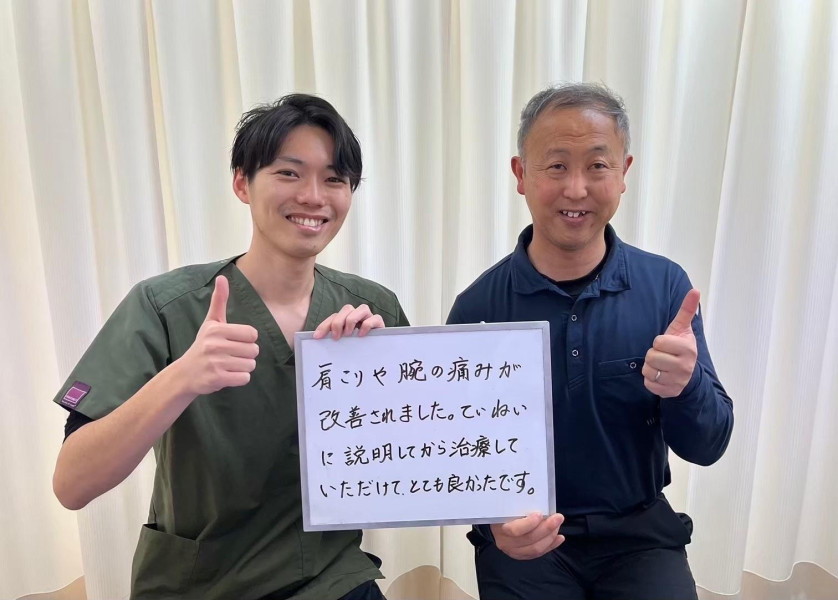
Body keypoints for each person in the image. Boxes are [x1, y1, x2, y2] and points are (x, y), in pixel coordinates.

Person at [52, 94, 408, 600]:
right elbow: (72, 484)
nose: (313, 196)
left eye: (334, 179)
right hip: (201, 584)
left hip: (331, 579)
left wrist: (374, 384)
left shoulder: (372, 309)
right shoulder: (166, 307)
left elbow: (415, 461)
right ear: (242, 182)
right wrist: (182, 378)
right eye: (289, 173)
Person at [446, 82, 734, 600]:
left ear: (623, 173)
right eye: (556, 166)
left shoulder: (666, 288)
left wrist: (684, 387)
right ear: (521, 175)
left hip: (640, 537)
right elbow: (455, 452)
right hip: (528, 539)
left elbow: (708, 446)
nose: (576, 189)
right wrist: (493, 524)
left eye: (597, 166)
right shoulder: (478, 309)